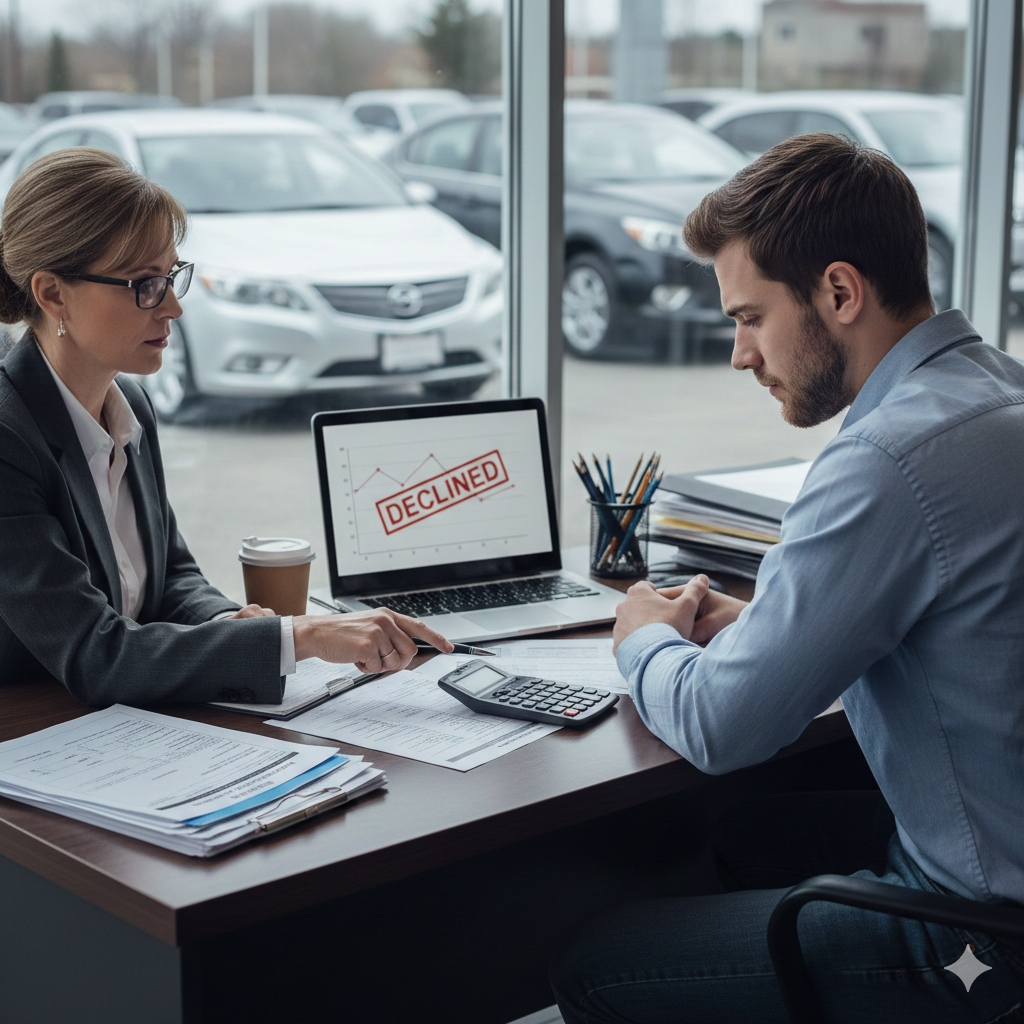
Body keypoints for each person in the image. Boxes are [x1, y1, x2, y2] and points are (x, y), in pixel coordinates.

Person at [550, 133, 1024, 1021]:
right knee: (744, 835)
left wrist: (641, 635)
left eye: (749, 317)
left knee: (595, 961)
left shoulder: (886, 459)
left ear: (840, 292)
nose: (740, 354)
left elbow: (720, 726)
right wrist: (765, 622)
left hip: (987, 939)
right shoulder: (998, 394)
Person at [0, 148, 452, 702]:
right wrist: (299, 634)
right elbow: (99, 654)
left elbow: (172, 580)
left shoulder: (131, 406)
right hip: (38, 737)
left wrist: (237, 622)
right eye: (144, 283)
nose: (172, 308)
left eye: (171, 277)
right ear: (52, 293)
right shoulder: (7, 435)